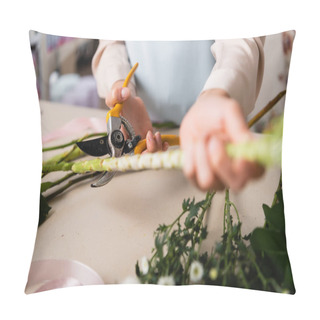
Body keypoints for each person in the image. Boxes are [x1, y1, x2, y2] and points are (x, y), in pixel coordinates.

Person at [92, 38, 265, 191]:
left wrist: (217, 92)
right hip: (143, 118)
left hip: (214, 122)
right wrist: (121, 85)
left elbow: (240, 39)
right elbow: (111, 42)